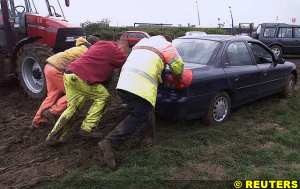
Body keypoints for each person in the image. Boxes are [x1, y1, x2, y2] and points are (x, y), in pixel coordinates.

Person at [98, 35, 184, 169]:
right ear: (168, 40)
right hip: (141, 85)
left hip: (124, 81)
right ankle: (110, 142)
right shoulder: (168, 46)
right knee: (140, 113)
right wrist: (178, 80)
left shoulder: (143, 42)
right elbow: (178, 68)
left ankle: (148, 138)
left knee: (145, 109)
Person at [46, 38, 129, 145]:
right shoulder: (117, 52)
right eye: (126, 49)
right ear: (121, 46)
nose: (125, 51)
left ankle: (53, 136)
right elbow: (123, 62)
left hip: (69, 74)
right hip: (82, 77)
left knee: (73, 108)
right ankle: (87, 128)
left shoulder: (101, 43)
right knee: (103, 97)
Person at [31, 36, 99, 129]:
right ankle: (52, 111)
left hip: (48, 67)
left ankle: (37, 120)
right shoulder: (88, 52)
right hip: (57, 70)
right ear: (94, 45)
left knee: (52, 95)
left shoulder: (79, 48)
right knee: (74, 93)